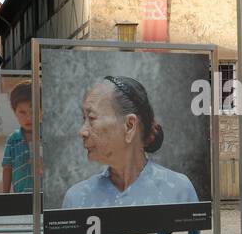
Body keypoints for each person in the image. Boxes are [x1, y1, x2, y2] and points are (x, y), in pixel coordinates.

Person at [62, 76, 200, 210]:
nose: (82, 132)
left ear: (129, 126)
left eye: (91, 118)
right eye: (84, 118)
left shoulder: (178, 190)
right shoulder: (77, 198)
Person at [1, 82, 35, 195]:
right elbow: (7, 168)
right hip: (20, 196)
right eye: (22, 112)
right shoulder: (12, 140)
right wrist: (5, 194)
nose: (28, 117)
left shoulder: (46, 137)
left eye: (33, 111)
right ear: (14, 112)